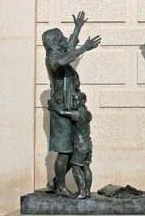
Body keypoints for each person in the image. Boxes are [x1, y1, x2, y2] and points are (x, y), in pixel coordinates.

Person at [43, 11, 101, 197]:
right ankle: (59, 186)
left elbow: (69, 47)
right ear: (54, 42)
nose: (66, 39)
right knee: (65, 151)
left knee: (73, 150)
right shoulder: (52, 59)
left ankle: (55, 182)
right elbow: (65, 58)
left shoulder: (59, 51)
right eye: (62, 38)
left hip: (70, 108)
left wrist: (77, 28)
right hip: (61, 111)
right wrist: (84, 48)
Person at [48, 92, 93, 199]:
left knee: (76, 168)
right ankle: (87, 191)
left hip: (80, 145)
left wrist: (54, 105)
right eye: (72, 100)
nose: (73, 102)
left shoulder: (77, 114)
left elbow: (61, 112)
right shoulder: (88, 113)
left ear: (83, 101)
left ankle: (81, 192)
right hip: (88, 143)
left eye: (76, 100)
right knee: (86, 167)